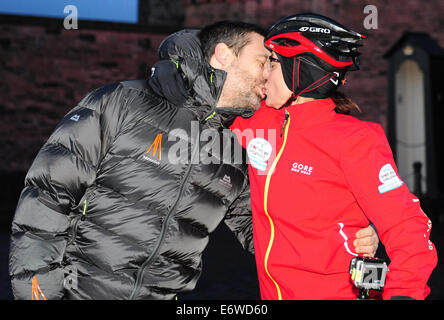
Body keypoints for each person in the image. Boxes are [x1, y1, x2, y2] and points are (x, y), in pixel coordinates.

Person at [9, 20, 378, 300]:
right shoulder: (122, 102)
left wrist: (348, 237)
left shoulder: (235, 144)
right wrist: (40, 292)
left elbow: (265, 229)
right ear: (223, 55)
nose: (270, 73)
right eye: (264, 60)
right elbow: (47, 195)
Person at [231, 13, 437, 300]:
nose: (265, 73)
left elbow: (407, 227)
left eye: (273, 63)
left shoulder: (354, 139)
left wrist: (404, 293)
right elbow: (210, 107)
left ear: (298, 72)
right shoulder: (260, 123)